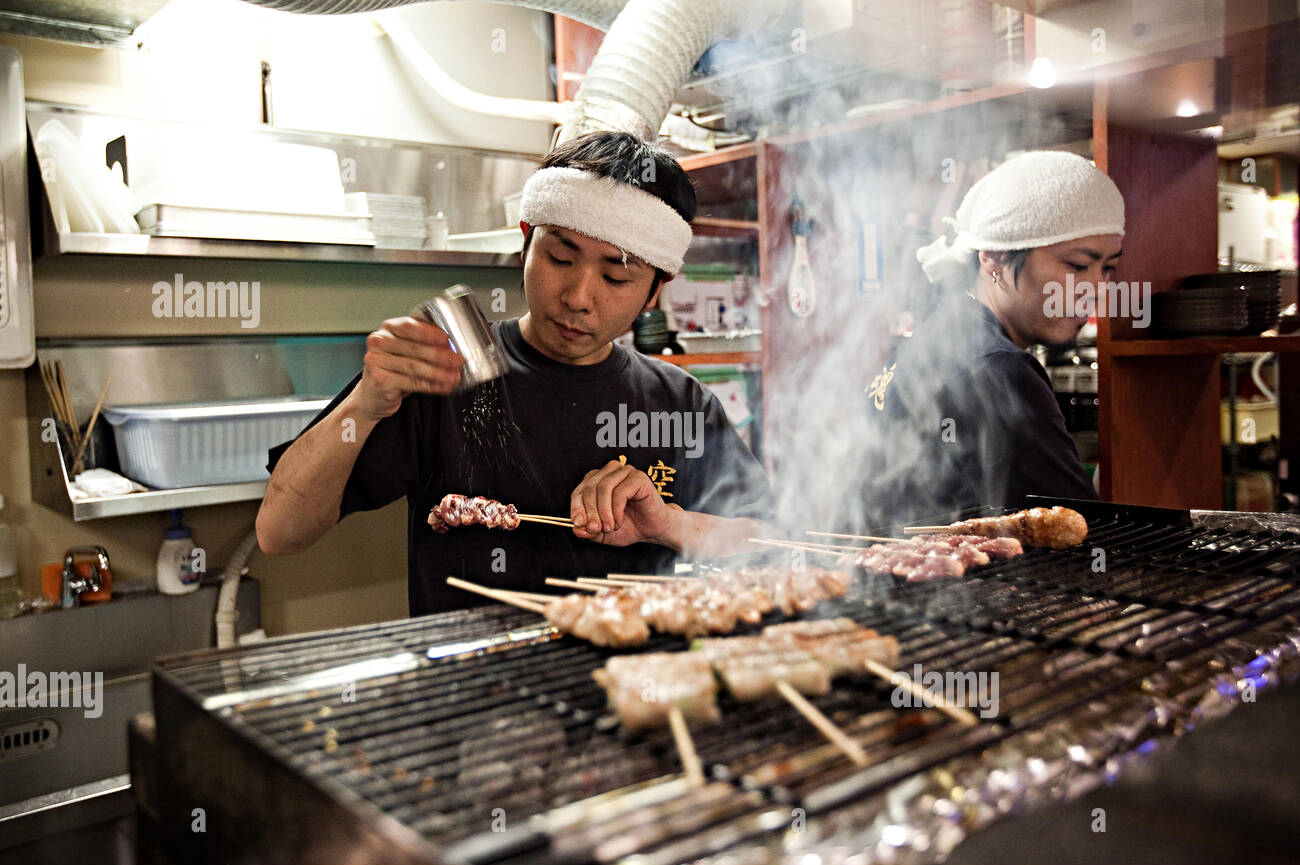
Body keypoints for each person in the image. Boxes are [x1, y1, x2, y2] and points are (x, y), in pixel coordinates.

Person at [256, 131, 775, 614]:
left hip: (631, 686)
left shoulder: (678, 402)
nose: (578, 298)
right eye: (559, 257)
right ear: (526, 240)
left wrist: (671, 524)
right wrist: (365, 403)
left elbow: (770, 545)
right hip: (469, 693)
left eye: (616, 277)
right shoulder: (445, 371)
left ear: (654, 291)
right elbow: (280, 533)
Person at [862, 150, 1121, 527]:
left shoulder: (944, 333)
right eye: (1078, 266)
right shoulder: (997, 367)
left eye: (1109, 267)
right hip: (942, 581)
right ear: (994, 258)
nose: (1097, 289)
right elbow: (1079, 529)